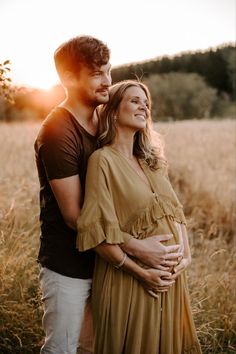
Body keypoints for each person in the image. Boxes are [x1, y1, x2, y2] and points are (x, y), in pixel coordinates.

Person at [34, 35, 181, 354]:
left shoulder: (102, 120)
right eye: (96, 74)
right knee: (63, 348)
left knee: (96, 348)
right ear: (68, 78)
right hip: (69, 265)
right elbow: (76, 217)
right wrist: (138, 249)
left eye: (108, 71)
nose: (107, 81)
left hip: (106, 265)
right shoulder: (59, 132)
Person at [76, 80, 202, 354]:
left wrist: (186, 257)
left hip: (169, 281)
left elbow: (176, 214)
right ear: (112, 111)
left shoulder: (152, 162)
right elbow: (97, 232)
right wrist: (143, 273)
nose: (143, 106)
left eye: (146, 102)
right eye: (134, 100)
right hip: (132, 280)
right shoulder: (102, 161)